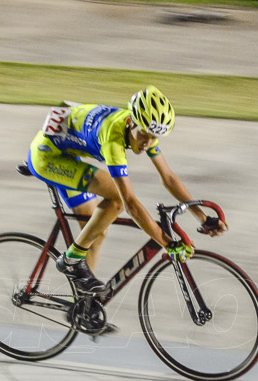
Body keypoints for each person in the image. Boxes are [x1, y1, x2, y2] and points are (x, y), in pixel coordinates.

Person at [25, 86, 226, 295]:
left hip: (65, 151)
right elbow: (129, 203)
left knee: (97, 232)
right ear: (132, 121)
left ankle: (85, 305)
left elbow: (169, 178)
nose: (147, 143)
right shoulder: (113, 136)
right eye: (144, 135)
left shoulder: (142, 130)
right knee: (116, 200)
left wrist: (201, 217)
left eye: (153, 138)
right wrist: (167, 243)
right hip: (47, 158)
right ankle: (70, 260)